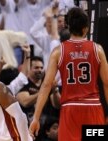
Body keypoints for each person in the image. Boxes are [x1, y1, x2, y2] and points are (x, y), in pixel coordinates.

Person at [29, 7, 108, 141]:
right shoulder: (97, 49)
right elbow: (107, 83)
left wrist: (36, 117)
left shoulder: (58, 52)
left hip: (69, 110)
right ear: (86, 29)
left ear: (68, 27)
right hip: (92, 108)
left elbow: (46, 85)